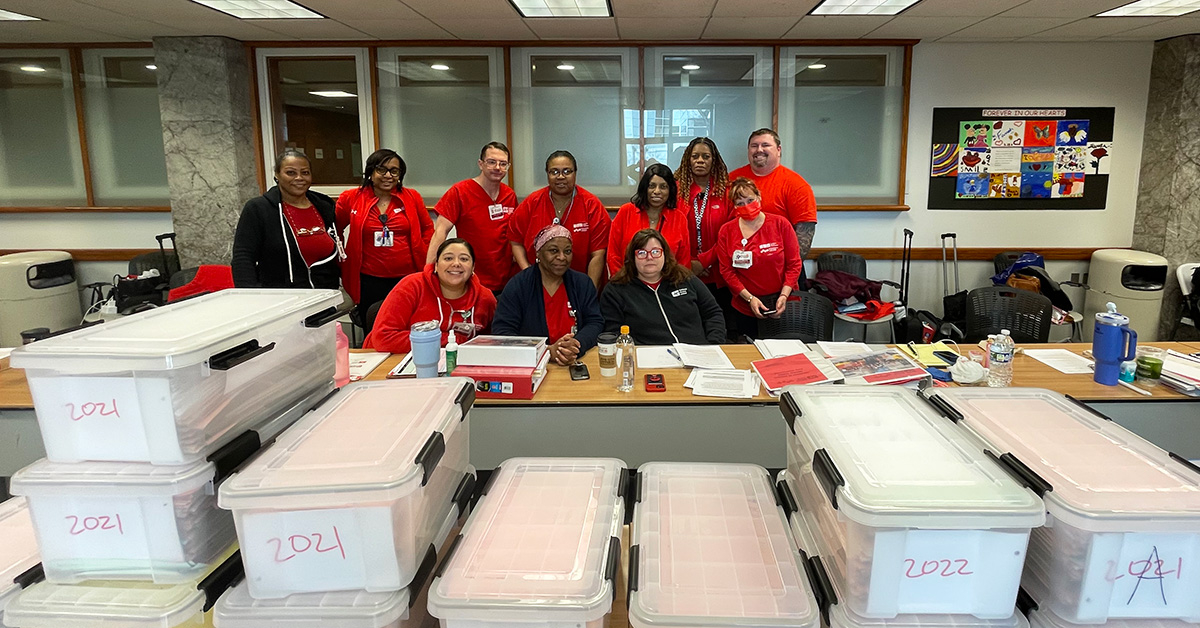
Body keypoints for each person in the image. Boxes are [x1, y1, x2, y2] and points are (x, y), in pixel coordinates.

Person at [335, 149, 433, 331]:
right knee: (373, 328)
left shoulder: (412, 197)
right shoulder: (351, 198)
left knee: (408, 327)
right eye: (382, 170)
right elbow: (335, 230)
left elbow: (428, 228)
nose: (388, 175)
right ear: (371, 172)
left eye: (394, 171)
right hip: (368, 279)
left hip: (408, 277)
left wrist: (425, 255)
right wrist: (342, 258)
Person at [493, 224, 603, 366]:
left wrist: (576, 345)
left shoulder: (582, 283)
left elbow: (595, 322)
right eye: (554, 251)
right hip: (531, 364)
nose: (562, 257)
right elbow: (503, 333)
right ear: (538, 252)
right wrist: (545, 351)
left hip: (575, 362)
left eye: (567, 251)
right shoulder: (518, 286)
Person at [232, 149, 342, 290]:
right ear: (277, 175)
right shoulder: (258, 208)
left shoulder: (324, 205)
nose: (299, 178)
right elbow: (243, 257)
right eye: (291, 173)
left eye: (305, 172)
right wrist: (249, 295)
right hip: (280, 297)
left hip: (325, 295)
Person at [364, 238, 496, 354]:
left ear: (473, 267)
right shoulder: (412, 286)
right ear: (436, 265)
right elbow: (383, 338)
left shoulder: (485, 299)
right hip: (390, 360)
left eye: (464, 259)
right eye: (448, 258)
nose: (456, 263)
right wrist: (448, 340)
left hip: (453, 364)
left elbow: (491, 342)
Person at [601, 229, 725, 345]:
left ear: (664, 254)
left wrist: (713, 345)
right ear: (632, 258)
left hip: (697, 355)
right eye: (642, 253)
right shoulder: (616, 290)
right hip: (649, 359)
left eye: (655, 252)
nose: (649, 258)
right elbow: (615, 333)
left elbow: (713, 313)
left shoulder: (685, 278)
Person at [508, 151, 610, 289]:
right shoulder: (532, 203)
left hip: (578, 284)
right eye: (554, 172)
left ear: (575, 173)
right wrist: (529, 274)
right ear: (547, 174)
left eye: (567, 171)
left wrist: (588, 292)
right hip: (536, 284)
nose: (560, 177)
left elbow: (598, 254)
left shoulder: (592, 205)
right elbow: (515, 241)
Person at [716, 177, 803, 340]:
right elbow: (727, 271)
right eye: (740, 203)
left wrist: (784, 295)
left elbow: (794, 264)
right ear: (734, 206)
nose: (746, 206)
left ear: (759, 197)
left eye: (750, 200)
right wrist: (749, 298)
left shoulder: (780, 224)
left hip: (781, 302)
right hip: (746, 306)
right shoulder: (726, 231)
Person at [427, 142, 518, 296]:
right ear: (480, 164)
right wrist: (428, 272)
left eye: (503, 164)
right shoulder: (460, 192)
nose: (497, 167)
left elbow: (515, 235)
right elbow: (440, 232)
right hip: (471, 278)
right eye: (491, 162)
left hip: (505, 278)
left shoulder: (510, 195)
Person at [729, 128, 817, 265]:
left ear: (778, 150)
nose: (759, 150)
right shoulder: (732, 180)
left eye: (765, 145)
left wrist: (789, 271)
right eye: (754, 146)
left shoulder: (796, 185)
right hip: (740, 266)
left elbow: (804, 236)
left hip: (780, 268)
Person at [674, 136, 735, 332]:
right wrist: (689, 263)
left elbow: (732, 233)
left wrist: (705, 261)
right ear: (688, 160)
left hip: (720, 273)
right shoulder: (675, 190)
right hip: (683, 271)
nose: (700, 161)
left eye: (706, 156)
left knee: (719, 328)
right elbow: (668, 230)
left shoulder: (726, 191)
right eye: (695, 156)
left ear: (713, 160)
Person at [606, 163, 690, 277]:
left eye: (663, 187)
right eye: (652, 186)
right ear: (644, 188)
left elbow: (683, 261)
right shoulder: (625, 212)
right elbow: (613, 254)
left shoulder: (679, 218)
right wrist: (623, 284)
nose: (657, 191)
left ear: (671, 190)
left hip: (666, 286)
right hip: (628, 284)